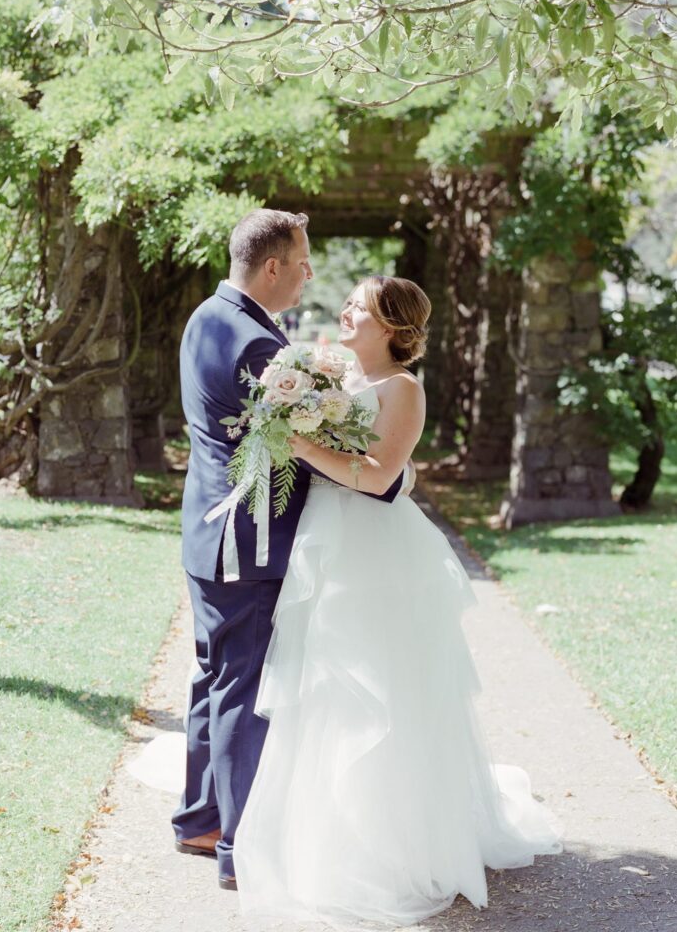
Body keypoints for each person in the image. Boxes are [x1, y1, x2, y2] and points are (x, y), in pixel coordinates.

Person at [232, 275, 563, 925]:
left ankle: (396, 848)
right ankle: (329, 843)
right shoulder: (337, 380)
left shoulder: (402, 389)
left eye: (360, 305)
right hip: (327, 542)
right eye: (350, 302)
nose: (347, 311)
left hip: (377, 554)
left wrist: (300, 441)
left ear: (390, 326)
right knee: (325, 689)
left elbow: (383, 476)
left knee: (380, 691)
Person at [170, 211, 407, 891]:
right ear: (272, 266)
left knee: (215, 675)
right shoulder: (254, 346)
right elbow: (282, 451)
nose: (309, 274)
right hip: (247, 537)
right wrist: (382, 479)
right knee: (242, 686)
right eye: (302, 262)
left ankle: (199, 819)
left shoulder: (210, 316)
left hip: (208, 530)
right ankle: (239, 849)